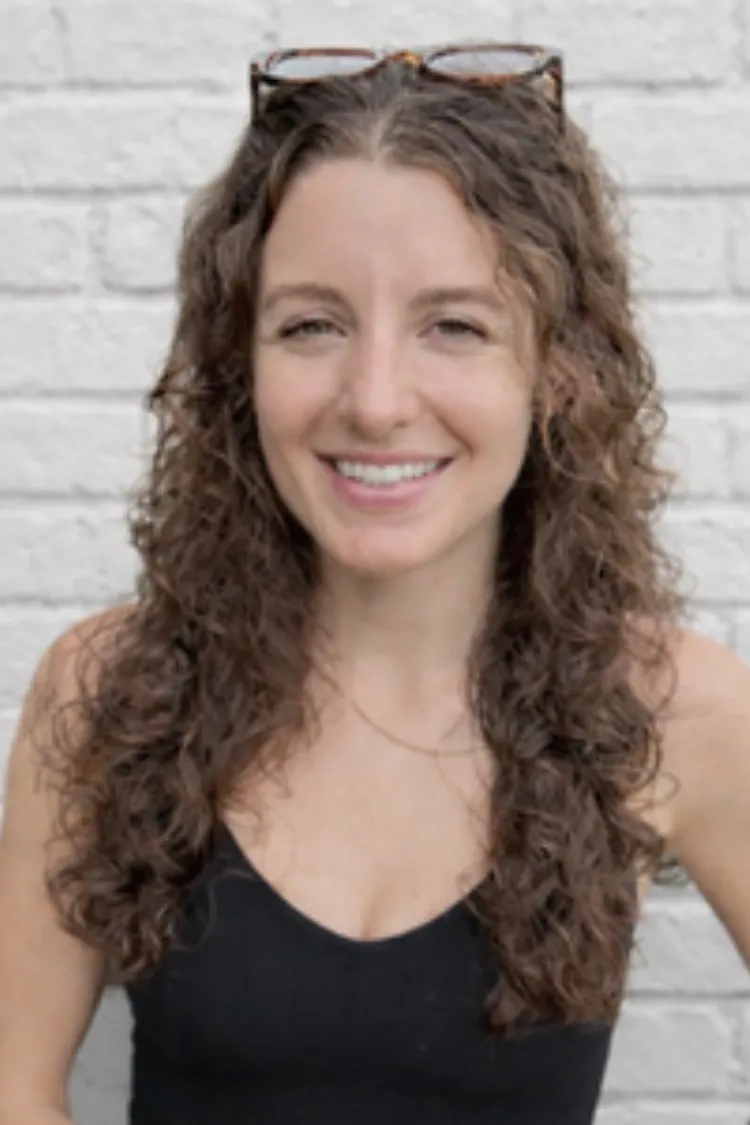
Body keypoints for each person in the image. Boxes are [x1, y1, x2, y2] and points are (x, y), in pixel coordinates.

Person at [0, 42, 749, 1125]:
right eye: (312, 324)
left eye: (455, 325)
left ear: (556, 367)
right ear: (236, 361)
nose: (378, 399)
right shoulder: (106, 694)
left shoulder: (678, 709)